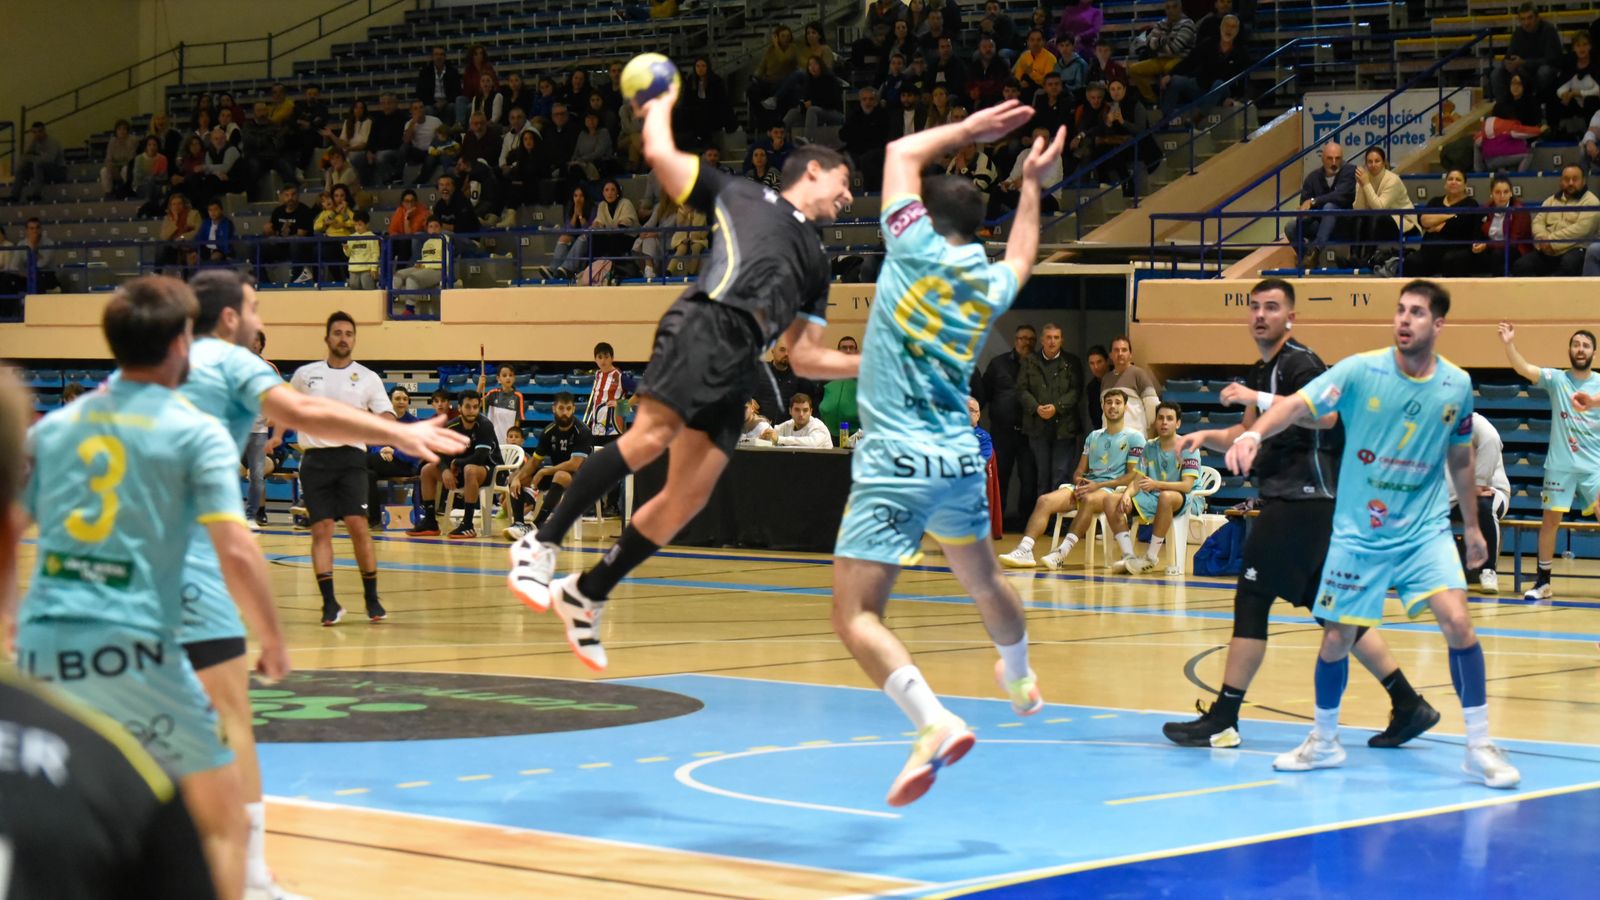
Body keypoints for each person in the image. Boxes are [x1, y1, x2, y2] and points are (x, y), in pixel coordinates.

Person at [507, 80, 859, 670]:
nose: (850, 199)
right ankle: (539, 545)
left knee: (686, 497)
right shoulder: (744, 195)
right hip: (704, 325)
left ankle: (586, 592)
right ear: (816, 172)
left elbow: (804, 356)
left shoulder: (817, 261)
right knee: (648, 440)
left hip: (742, 360)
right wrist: (658, 109)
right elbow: (667, 165)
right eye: (845, 185)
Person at [177, 271, 459, 897]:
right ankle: (244, 875)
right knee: (225, 715)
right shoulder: (248, 368)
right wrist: (402, 434)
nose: (258, 314)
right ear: (229, 320)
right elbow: (301, 411)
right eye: (252, 305)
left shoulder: (140, 379)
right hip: (192, 562)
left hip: (131, 571)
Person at [12, 276, 289, 900]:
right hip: (133, 647)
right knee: (219, 817)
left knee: (61, 799)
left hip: (43, 648)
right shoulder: (194, 431)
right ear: (181, 345)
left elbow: (7, 528)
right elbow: (238, 550)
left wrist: (7, 619)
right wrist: (271, 636)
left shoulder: (54, 430)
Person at [830, 100, 1061, 806]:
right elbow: (1022, 252)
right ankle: (1019, 676)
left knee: (856, 615)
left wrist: (966, 131)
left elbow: (901, 152)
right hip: (959, 458)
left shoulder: (911, 248)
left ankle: (932, 722)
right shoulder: (987, 282)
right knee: (984, 579)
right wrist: (1030, 184)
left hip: (894, 458)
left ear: (922, 220)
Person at [1227, 279, 1519, 789]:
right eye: (1400, 311)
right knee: (1337, 636)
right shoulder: (1361, 370)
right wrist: (1253, 432)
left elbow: (1459, 454)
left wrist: (1472, 527)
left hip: (1424, 530)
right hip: (1360, 531)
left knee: (1458, 622)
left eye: (1418, 313)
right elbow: (1297, 405)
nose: (1404, 320)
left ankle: (1479, 744)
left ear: (1438, 324)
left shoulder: (1457, 384)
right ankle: (1323, 741)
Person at [1164, 278, 1430, 749]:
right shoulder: (1262, 368)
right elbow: (1252, 431)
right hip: (1302, 503)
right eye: (1254, 307)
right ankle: (1408, 703)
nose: (1261, 315)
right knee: (1333, 611)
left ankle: (1225, 716)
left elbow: (1324, 416)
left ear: (1291, 317)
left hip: (1303, 500)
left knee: (1251, 596)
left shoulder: (1300, 363)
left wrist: (1259, 401)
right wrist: (1205, 437)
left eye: (1272, 307)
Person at [0, 372, 220, 899]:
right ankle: (256, 869)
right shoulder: (123, 784)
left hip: (56, 630)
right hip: (132, 635)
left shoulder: (61, 434)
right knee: (216, 792)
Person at [290, 313, 409, 624]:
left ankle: (372, 598)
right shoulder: (306, 375)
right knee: (321, 530)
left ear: (354, 339)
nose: (343, 338)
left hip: (351, 460)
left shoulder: (368, 378)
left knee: (358, 526)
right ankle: (329, 604)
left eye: (349, 333)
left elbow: (387, 416)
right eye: (338, 333)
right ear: (327, 337)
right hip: (315, 460)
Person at [1498, 323, 1600, 601]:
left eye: (1586, 345)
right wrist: (1509, 344)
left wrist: (1593, 401)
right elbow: (1524, 368)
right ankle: (1543, 582)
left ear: (1594, 352)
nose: (1580, 349)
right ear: (1570, 350)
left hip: (1594, 468)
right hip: (1560, 465)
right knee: (1550, 522)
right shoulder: (1557, 380)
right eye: (1576, 344)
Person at [1000, 390, 1141, 569]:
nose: (1113, 406)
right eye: (1109, 402)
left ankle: (1061, 553)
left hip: (1110, 490)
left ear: (1125, 407)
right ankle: (1025, 550)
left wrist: (1098, 485)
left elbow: (1132, 476)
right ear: (1103, 406)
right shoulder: (1094, 436)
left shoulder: (1134, 437)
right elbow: (1079, 470)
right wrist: (1080, 480)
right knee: (1044, 500)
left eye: (1118, 402)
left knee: (1089, 500)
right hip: (1088, 486)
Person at [1114, 401, 1204, 573]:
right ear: (1155, 422)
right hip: (1155, 497)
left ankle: (1150, 557)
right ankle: (1128, 556)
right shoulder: (1149, 446)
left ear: (1178, 423)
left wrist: (1156, 484)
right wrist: (1127, 494)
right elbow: (1138, 480)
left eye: (1169, 419)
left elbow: (1186, 486)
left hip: (1188, 499)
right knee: (1113, 500)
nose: (1164, 422)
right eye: (1160, 418)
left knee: (1166, 496)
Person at [408, 389, 502, 539]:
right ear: (459, 408)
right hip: (463, 471)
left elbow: (479, 457)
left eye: (475, 406)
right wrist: (445, 470)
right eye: (468, 406)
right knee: (427, 470)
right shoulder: (451, 426)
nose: (472, 411)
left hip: (492, 471)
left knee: (470, 469)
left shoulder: (485, 425)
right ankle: (431, 521)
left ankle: (468, 524)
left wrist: (456, 462)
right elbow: (439, 453)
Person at [504, 391, 592, 541]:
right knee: (516, 477)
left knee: (561, 475)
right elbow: (534, 462)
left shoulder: (582, 431)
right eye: (561, 408)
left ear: (574, 409)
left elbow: (574, 464)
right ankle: (519, 524)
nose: (565, 413)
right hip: (556, 475)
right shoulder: (548, 432)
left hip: (583, 477)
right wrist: (518, 477)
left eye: (568, 409)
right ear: (554, 409)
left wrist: (545, 472)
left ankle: (538, 524)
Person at [1018, 322, 1080, 505]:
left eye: (1056, 337)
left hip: (1064, 428)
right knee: (1042, 477)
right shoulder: (1030, 361)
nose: (1052, 341)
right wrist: (1036, 408)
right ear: (1042, 340)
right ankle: (1042, 521)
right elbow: (1021, 390)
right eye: (1049, 337)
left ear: (1062, 340)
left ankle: (1057, 522)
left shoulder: (1072, 362)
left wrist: (1057, 407)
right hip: (1038, 428)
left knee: (1060, 475)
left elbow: (1076, 391)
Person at [981, 324, 1037, 526]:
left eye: (1031, 339)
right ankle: (997, 523)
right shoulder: (998, 364)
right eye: (1023, 338)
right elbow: (983, 395)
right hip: (1002, 434)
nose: (1026, 343)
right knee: (999, 480)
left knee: (1029, 481)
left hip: (1029, 434)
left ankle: (1026, 523)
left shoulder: (1039, 364)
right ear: (1015, 340)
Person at [1450, 412, 1510, 595]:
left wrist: (1479, 481)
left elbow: (1491, 439)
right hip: (1453, 498)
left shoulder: (1473, 421)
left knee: (1482, 506)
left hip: (1490, 491)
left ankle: (1488, 570)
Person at [1514, 164, 1599, 276]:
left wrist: (1551, 241)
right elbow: (1538, 221)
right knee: (1521, 265)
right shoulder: (1551, 200)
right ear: (1561, 181)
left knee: (1569, 264)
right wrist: (1542, 238)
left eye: (1575, 179)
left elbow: (1580, 230)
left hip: (1575, 249)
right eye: (1566, 179)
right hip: (1547, 250)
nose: (1570, 183)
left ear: (1583, 181)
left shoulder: (1592, 202)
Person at [1287, 141, 1355, 268]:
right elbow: (1304, 204)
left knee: (1330, 207)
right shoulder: (1312, 178)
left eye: (1337, 158)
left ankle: (1315, 251)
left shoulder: (1349, 171)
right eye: (1330, 158)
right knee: (1290, 227)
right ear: (1323, 159)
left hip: (1344, 225)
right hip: (1319, 225)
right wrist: (1304, 213)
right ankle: (1308, 259)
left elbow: (1339, 196)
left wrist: (1314, 202)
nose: (1334, 163)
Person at [367, 388, 423, 529]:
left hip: (406, 465)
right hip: (382, 462)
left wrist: (394, 452)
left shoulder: (414, 423)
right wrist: (381, 451)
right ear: (390, 401)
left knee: (358, 461)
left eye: (404, 399)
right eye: (397, 398)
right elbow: (373, 444)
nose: (401, 402)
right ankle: (374, 520)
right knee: (368, 474)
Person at [1102, 335, 1160, 437]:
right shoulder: (1106, 379)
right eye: (1116, 350)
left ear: (1130, 354)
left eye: (1124, 350)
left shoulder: (1139, 374)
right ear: (1110, 355)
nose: (1120, 354)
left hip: (1134, 439)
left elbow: (1152, 406)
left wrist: (1149, 433)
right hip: (1109, 439)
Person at [477, 359, 527, 446]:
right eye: (504, 375)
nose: (508, 378)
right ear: (498, 378)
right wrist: (479, 386)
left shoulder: (518, 396)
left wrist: (513, 439)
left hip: (508, 440)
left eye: (510, 375)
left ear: (514, 378)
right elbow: (476, 404)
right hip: (492, 439)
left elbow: (517, 421)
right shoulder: (493, 394)